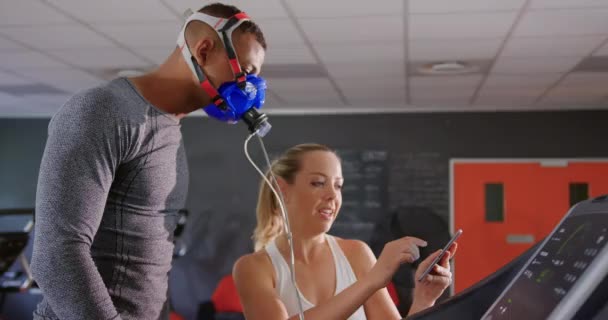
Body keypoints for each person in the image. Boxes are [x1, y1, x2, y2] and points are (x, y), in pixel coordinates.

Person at [30, 3, 267, 320]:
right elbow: (57, 255)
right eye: (247, 72)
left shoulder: (169, 129)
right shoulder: (104, 111)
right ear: (205, 49)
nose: (250, 89)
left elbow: (145, 272)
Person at [233, 144, 458, 320]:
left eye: (338, 185)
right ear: (282, 189)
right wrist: (371, 280)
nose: (333, 195)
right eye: (318, 183)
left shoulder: (356, 253)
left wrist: (424, 299)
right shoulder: (253, 269)